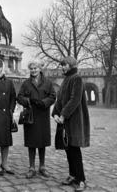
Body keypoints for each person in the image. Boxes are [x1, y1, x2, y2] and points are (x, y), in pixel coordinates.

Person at [52, 56, 90, 192]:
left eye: (65, 65)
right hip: (65, 120)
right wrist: (55, 113)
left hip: (74, 120)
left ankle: (81, 180)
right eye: (62, 65)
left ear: (72, 65)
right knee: (68, 148)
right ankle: (73, 175)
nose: (63, 67)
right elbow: (60, 98)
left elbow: (75, 99)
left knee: (74, 149)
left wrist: (62, 115)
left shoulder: (77, 78)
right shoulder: (66, 79)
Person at [17, 60, 56, 178]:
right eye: (31, 68)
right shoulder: (26, 83)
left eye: (35, 68)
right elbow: (19, 97)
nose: (33, 70)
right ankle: (31, 167)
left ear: (40, 69)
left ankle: (42, 167)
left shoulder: (48, 82)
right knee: (31, 142)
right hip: (31, 116)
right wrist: (29, 101)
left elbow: (53, 96)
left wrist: (44, 103)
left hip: (43, 116)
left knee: (42, 142)